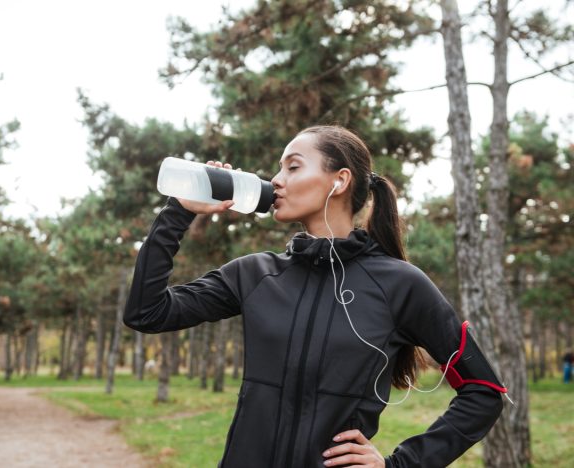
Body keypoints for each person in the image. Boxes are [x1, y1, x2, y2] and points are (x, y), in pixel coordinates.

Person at [123, 125, 505, 467]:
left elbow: (484, 391)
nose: (276, 180)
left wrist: (401, 464)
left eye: (292, 167)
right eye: (279, 168)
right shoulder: (255, 274)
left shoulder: (401, 285)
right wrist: (178, 211)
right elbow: (147, 312)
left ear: (339, 181)